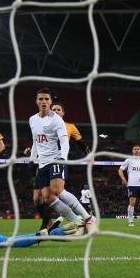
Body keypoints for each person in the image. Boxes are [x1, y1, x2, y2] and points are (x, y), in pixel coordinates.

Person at [29, 87, 96, 234]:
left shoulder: (58, 120)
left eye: (46, 99)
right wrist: (32, 159)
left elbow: (64, 141)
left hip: (56, 159)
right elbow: (36, 141)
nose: (44, 101)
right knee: (47, 197)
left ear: (50, 101)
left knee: (57, 190)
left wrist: (62, 158)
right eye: (41, 99)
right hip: (42, 163)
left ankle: (88, 217)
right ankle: (77, 221)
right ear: (36, 101)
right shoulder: (32, 120)